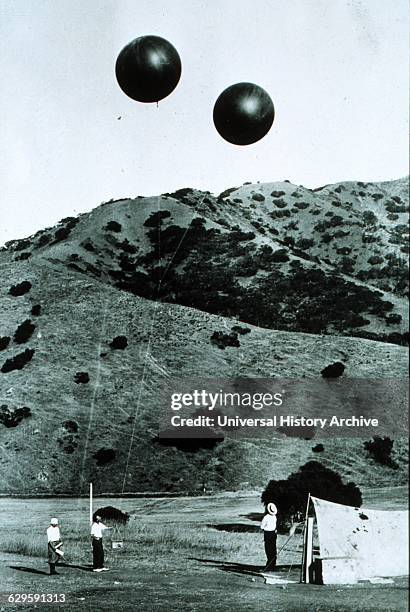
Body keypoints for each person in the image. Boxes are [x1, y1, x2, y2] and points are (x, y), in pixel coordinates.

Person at [260, 502, 277, 571]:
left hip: (267, 534)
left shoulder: (266, 517)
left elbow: (262, 527)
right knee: (273, 549)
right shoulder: (274, 517)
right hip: (273, 533)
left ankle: (269, 565)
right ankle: (273, 564)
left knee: (268, 549)